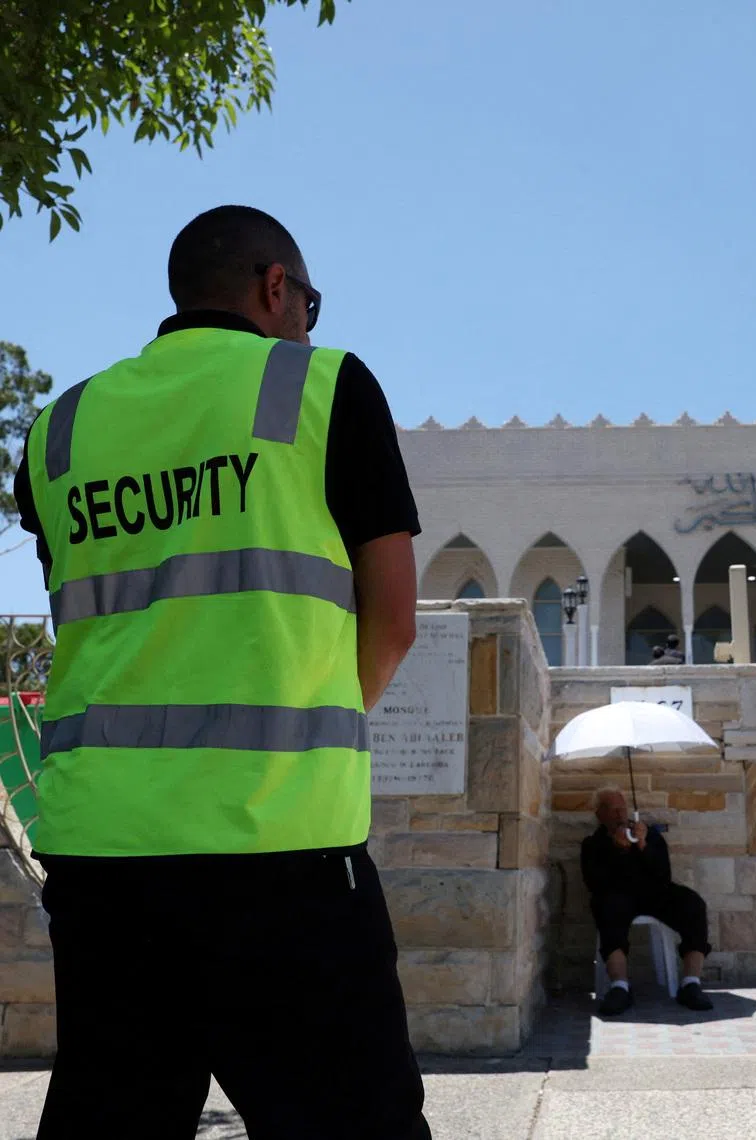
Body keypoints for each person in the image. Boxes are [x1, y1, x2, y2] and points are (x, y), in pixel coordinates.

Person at [15, 206, 431, 1138]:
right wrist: (312, 724)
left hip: (104, 861)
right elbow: (395, 620)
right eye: (307, 302)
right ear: (274, 286)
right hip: (283, 857)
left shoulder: (59, 430)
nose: (309, 323)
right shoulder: (324, 388)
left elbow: (93, 624)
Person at [581, 786, 713, 1015]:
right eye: (612, 810)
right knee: (606, 907)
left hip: (655, 894)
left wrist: (642, 846)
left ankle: (691, 983)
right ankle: (620, 987)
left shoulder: (649, 835)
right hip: (617, 898)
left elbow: (663, 875)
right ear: (599, 815)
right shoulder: (593, 844)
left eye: (622, 809)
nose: (620, 815)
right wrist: (617, 851)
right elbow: (595, 884)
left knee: (692, 904)